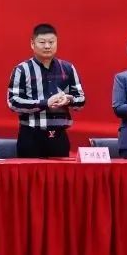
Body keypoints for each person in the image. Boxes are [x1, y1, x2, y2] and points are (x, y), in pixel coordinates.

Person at [7, 23, 86, 158]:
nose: (47, 46)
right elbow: (13, 102)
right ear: (32, 44)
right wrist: (45, 103)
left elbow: (81, 100)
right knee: (30, 172)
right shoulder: (22, 69)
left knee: (60, 172)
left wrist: (69, 100)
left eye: (51, 42)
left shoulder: (67, 68)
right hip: (31, 135)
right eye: (42, 42)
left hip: (59, 136)